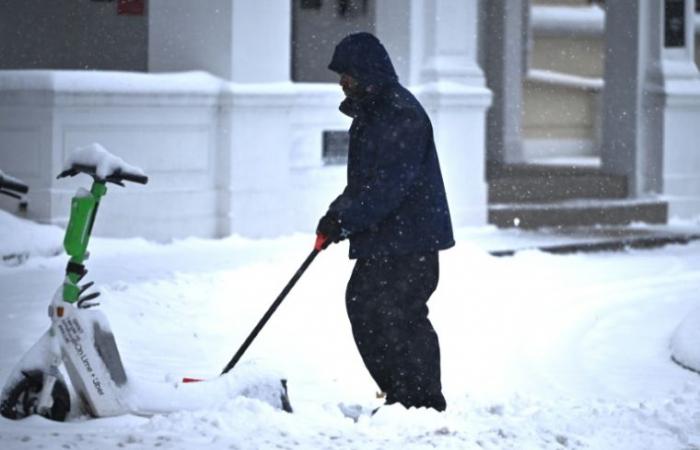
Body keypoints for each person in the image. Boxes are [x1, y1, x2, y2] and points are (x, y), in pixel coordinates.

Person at [316, 32, 454, 412]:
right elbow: (363, 183)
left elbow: (387, 187)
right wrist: (335, 216)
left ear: (368, 72)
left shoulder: (399, 114)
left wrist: (345, 220)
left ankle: (420, 401)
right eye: (341, 75)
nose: (342, 82)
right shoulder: (374, 112)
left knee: (400, 315)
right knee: (369, 308)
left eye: (347, 74)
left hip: (410, 240)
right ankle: (404, 395)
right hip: (389, 238)